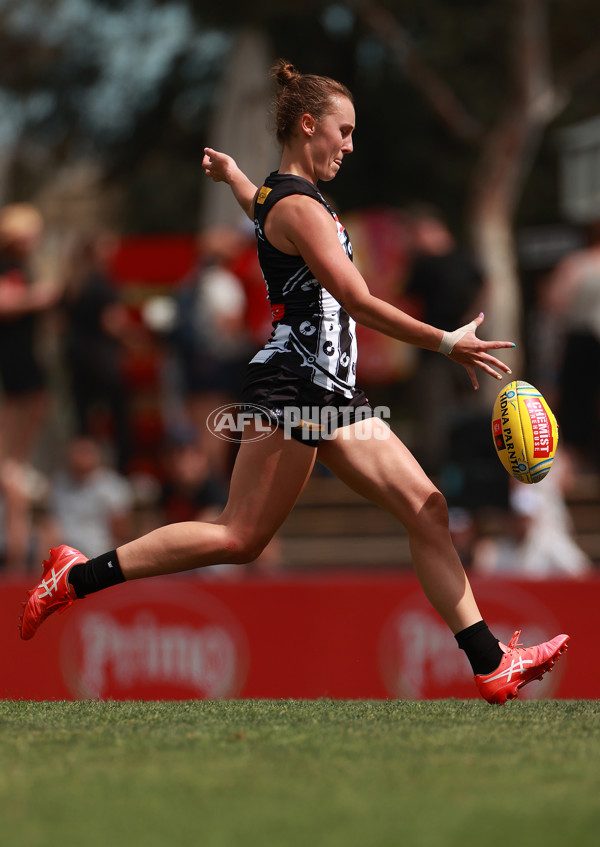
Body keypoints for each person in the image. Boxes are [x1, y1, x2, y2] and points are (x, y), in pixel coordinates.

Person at [19, 60, 569, 706]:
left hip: (331, 391)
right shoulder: (301, 207)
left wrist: (233, 177)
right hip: (299, 387)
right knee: (238, 536)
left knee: (429, 509)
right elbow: (358, 301)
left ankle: (490, 662)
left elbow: (262, 204)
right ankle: (77, 575)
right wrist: (446, 341)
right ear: (309, 126)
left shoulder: (283, 197)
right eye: (344, 130)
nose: (351, 144)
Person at [0, 203, 60, 467]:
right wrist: (40, 297)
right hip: (11, 349)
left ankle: (15, 462)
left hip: (24, 347)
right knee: (17, 407)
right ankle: (9, 463)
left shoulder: (22, 264)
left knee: (38, 401)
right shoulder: (7, 264)